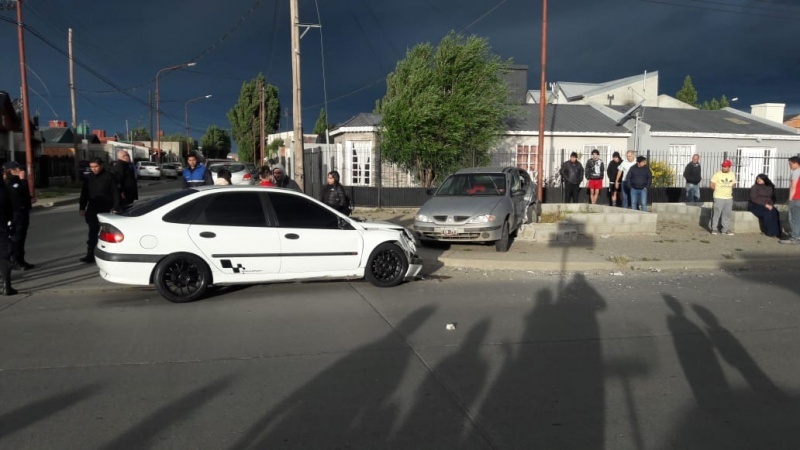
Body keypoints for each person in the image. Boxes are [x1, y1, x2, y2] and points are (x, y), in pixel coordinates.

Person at [79, 158, 119, 263]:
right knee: (92, 231)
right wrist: (82, 207)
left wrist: (115, 207)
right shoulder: (89, 178)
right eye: (92, 167)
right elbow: (84, 194)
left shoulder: (109, 177)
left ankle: (106, 253)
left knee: (106, 233)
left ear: (101, 166)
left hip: (106, 208)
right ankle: (90, 254)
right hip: (92, 208)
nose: (94, 169)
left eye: (96, 167)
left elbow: (115, 193)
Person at [4, 161, 35, 271]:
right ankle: (15, 261)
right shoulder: (9, 182)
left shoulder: (18, 181)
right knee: (16, 238)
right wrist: (23, 180)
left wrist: (30, 198)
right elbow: (17, 193)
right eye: (17, 169)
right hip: (15, 214)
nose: (20, 171)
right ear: (11, 171)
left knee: (22, 237)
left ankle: (21, 260)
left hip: (23, 212)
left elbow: (24, 194)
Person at [748, 174, 781, 238]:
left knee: (775, 212)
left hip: (768, 205)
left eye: (760, 179)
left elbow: (772, 198)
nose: (759, 180)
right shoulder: (754, 187)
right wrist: (765, 205)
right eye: (757, 179)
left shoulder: (770, 187)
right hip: (755, 205)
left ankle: (777, 232)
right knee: (767, 213)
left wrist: (771, 205)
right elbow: (754, 198)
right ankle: (770, 232)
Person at [709, 159, 737, 236]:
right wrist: (718, 190)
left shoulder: (732, 174)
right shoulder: (717, 174)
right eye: (723, 166)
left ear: (729, 167)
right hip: (719, 197)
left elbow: (734, 184)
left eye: (725, 166)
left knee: (727, 214)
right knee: (716, 213)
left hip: (728, 197)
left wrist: (730, 186)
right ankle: (714, 229)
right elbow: (712, 185)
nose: (723, 168)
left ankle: (725, 229)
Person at [0, 179, 17, 295]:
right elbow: (9, 206)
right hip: (1, 225)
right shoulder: (2, 187)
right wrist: (10, 221)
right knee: (3, 256)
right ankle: (6, 285)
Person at [780, 156, 800, 244]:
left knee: (793, 219)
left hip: (796, 198)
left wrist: (790, 199)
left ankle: (795, 238)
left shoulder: (796, 172)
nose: (790, 166)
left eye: (791, 164)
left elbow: (793, 186)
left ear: (796, 163)